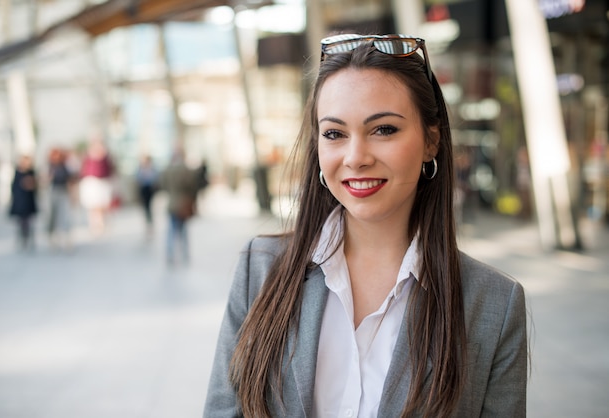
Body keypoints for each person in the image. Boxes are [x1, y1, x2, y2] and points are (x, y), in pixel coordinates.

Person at [204, 34, 528, 418]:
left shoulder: (493, 303)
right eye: (334, 134)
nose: (355, 158)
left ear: (431, 141)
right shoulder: (259, 269)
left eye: (384, 129)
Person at [158, 148, 200, 265]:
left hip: (172, 203)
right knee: (183, 231)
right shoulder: (186, 170)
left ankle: (170, 254)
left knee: (171, 231)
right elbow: (192, 186)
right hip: (183, 204)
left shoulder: (168, 169)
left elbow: (163, 185)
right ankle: (185, 254)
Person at [78, 138, 115, 235]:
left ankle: (101, 223)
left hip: (103, 182)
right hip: (92, 182)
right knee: (93, 205)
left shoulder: (106, 156)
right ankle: (94, 224)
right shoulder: (88, 156)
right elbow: (84, 169)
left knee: (102, 205)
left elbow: (110, 169)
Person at [46, 147, 74, 249]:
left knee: (65, 217)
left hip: (63, 192)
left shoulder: (65, 167)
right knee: (52, 217)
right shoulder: (50, 167)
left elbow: (71, 180)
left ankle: (67, 239)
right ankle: (52, 238)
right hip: (52, 192)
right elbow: (44, 181)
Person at [8, 154, 38, 250]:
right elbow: (14, 187)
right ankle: (21, 240)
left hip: (29, 202)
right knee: (21, 223)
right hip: (20, 201)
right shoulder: (17, 172)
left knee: (28, 222)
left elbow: (35, 187)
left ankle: (28, 240)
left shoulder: (31, 172)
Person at [135, 154, 159, 237]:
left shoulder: (152, 169)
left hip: (150, 189)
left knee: (150, 207)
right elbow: (138, 179)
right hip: (143, 189)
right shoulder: (140, 169)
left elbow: (155, 178)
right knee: (146, 208)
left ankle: (150, 223)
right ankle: (147, 224)